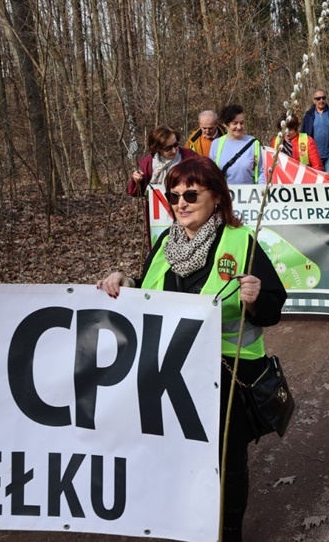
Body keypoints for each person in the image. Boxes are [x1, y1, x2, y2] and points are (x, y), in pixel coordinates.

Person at [98, 156, 287, 541]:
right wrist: (124, 283)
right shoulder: (164, 244)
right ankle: (187, 524)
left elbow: (273, 307)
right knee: (178, 454)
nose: (180, 203)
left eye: (190, 194)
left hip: (227, 378)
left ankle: (228, 531)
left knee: (225, 461)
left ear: (216, 197)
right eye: (173, 196)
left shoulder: (240, 242)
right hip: (171, 377)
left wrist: (255, 299)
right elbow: (147, 293)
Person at [127, 125, 196, 197]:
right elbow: (135, 192)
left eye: (176, 145)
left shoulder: (189, 157)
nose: (174, 150)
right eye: (168, 148)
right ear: (157, 148)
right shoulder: (148, 163)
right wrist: (137, 180)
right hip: (157, 202)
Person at [210, 104, 262, 184]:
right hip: (224, 191)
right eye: (235, 123)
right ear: (225, 124)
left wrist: (262, 190)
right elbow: (211, 173)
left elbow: (262, 172)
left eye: (242, 123)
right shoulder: (216, 144)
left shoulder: (254, 144)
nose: (239, 127)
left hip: (250, 191)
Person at [301, 89, 329, 173]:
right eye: (318, 99)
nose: (321, 100)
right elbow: (303, 134)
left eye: (323, 98)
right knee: (318, 178)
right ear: (314, 100)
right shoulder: (309, 115)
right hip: (315, 155)